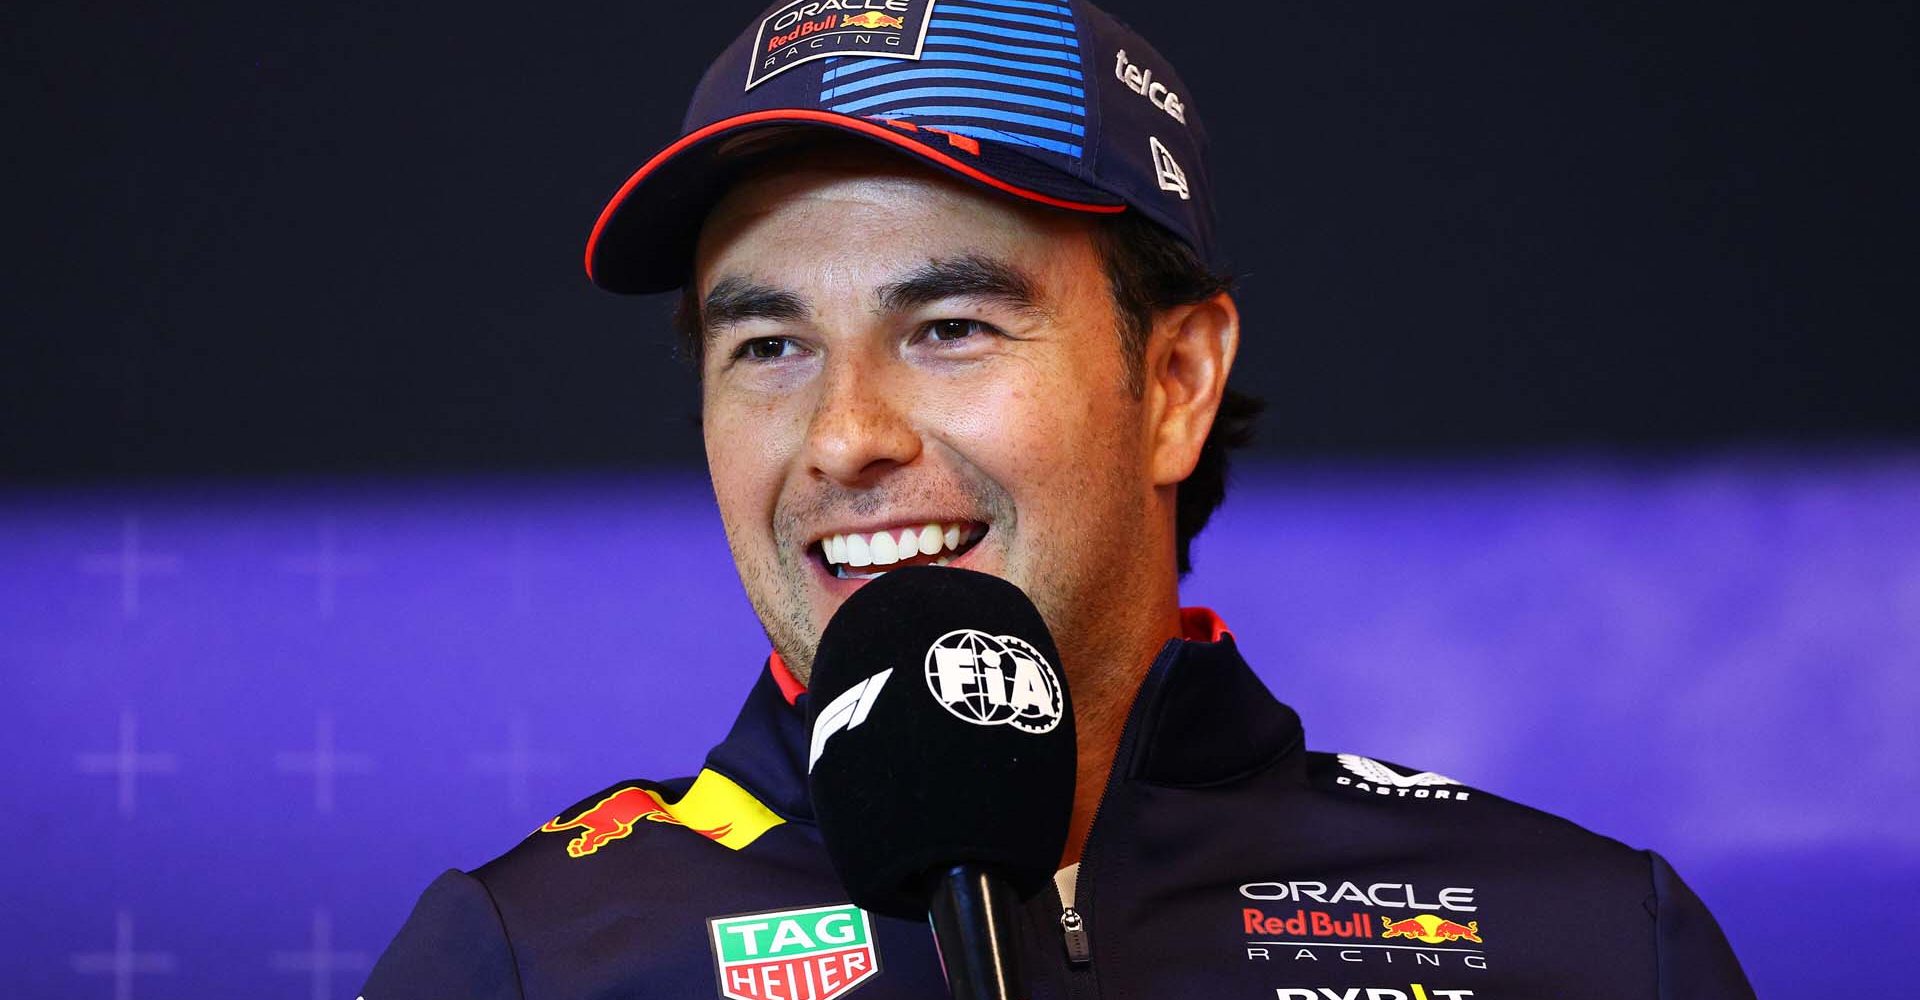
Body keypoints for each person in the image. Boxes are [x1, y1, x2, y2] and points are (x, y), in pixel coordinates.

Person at [363, 2, 1754, 997]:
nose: (844, 436)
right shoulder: (529, 957)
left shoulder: (1579, 939)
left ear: (1176, 381)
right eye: (770, 347)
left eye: (951, 325)